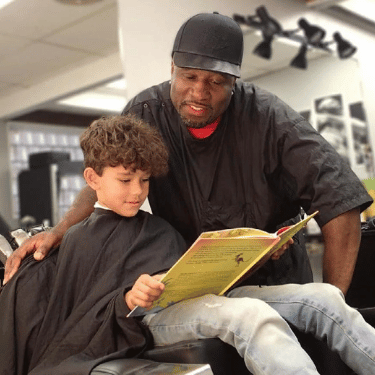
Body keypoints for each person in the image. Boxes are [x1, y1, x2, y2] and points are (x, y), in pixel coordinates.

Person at [4, 13, 372, 295]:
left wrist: (332, 302)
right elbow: (102, 177)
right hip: (195, 282)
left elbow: (341, 199)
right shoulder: (145, 112)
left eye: (215, 82)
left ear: (234, 84)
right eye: (189, 77)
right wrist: (59, 231)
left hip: (273, 280)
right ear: (172, 70)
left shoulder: (270, 119)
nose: (199, 92)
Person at [1, 114, 375, 375]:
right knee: (250, 316)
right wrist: (129, 298)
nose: (137, 192)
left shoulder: (157, 227)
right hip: (153, 317)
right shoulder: (81, 239)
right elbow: (82, 318)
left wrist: (255, 252)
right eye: (126, 180)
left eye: (145, 181)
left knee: (323, 299)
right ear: (92, 178)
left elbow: (194, 272)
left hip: (206, 296)